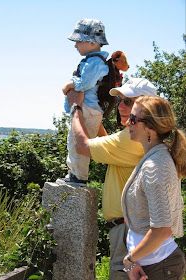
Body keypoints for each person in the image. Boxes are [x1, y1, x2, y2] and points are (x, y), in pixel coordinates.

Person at [66, 78, 157, 280]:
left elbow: (83, 146)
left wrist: (76, 108)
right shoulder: (148, 135)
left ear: (146, 107)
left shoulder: (132, 139)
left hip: (127, 230)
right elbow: (109, 146)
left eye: (128, 102)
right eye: (120, 101)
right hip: (133, 227)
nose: (121, 106)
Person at [122, 96, 186, 280]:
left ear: (150, 128)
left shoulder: (155, 166)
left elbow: (161, 230)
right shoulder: (155, 158)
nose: (127, 123)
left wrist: (129, 261)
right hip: (152, 265)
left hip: (159, 268)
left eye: (133, 119)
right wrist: (134, 262)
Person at [56, 18, 109, 187]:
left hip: (87, 108)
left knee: (77, 143)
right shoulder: (94, 60)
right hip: (89, 108)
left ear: (92, 42)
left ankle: (78, 177)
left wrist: (69, 85)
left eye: (78, 41)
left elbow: (85, 83)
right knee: (74, 142)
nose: (75, 45)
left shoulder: (94, 62)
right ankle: (74, 173)